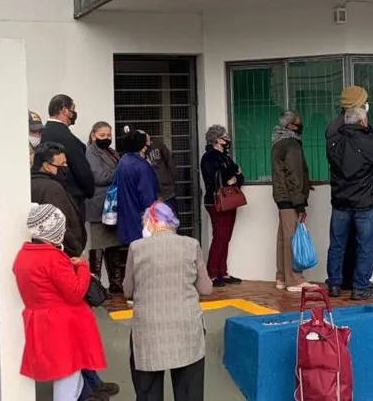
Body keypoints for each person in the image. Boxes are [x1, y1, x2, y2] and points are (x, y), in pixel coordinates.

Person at [13, 203, 106, 401]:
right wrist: (82, 266)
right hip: (65, 327)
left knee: (72, 376)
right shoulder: (53, 258)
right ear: (53, 229)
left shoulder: (24, 256)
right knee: (68, 380)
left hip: (41, 322)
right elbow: (75, 293)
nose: (63, 230)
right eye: (61, 226)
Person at [124, 202, 212, 401]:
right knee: (189, 392)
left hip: (148, 331)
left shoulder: (136, 248)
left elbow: (127, 290)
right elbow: (206, 289)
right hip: (186, 329)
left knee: (148, 392)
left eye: (144, 221)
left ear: (152, 220)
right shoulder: (191, 245)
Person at [326, 106, 373, 301]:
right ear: (363, 122)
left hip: (340, 201)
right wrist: (372, 189)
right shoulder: (372, 143)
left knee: (337, 244)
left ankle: (334, 284)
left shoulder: (334, 143)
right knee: (365, 246)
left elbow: (334, 169)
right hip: (365, 203)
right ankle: (360, 286)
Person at [271, 110, 314, 292]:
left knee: (283, 238)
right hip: (290, 198)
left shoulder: (278, 142)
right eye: (298, 122)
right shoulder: (292, 144)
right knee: (292, 239)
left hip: (282, 197)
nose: (301, 125)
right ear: (290, 126)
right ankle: (295, 280)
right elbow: (294, 175)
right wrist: (300, 202)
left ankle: (281, 277)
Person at [200, 124, 245, 287]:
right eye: (225, 136)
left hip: (228, 201)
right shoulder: (209, 158)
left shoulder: (225, 157)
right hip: (216, 202)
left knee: (225, 237)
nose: (228, 139)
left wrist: (234, 177)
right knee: (220, 237)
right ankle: (211, 273)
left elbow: (240, 177)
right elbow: (219, 178)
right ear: (217, 140)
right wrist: (233, 175)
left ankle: (222, 272)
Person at [85, 121, 125, 294]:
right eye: (102, 135)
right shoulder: (90, 152)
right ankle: (96, 286)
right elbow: (99, 176)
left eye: (109, 135)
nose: (106, 138)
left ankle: (116, 283)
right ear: (93, 135)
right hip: (98, 206)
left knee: (113, 244)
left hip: (112, 206)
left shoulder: (112, 152)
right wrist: (120, 173)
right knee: (98, 246)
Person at [41, 94, 95, 217]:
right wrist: (89, 190)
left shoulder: (44, 132)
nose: (74, 113)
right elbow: (81, 169)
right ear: (64, 110)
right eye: (73, 109)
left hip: (48, 194)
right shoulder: (67, 138)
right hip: (71, 198)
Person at [31, 143, 87, 258]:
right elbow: (61, 224)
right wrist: (77, 250)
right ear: (47, 166)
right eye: (62, 164)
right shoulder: (52, 188)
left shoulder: (31, 183)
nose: (66, 167)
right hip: (63, 255)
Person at [145, 135, 179, 216]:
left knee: (172, 222)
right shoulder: (140, 152)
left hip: (167, 192)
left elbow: (170, 162)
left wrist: (171, 182)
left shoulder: (158, 144)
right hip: (153, 196)